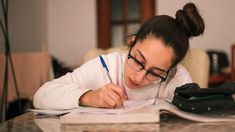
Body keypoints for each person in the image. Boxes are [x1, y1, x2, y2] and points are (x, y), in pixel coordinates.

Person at [33, 2, 205, 110]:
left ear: (170, 70)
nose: (139, 78)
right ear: (131, 42)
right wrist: (87, 96)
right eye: (138, 60)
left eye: (155, 73)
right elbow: (41, 96)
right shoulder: (104, 66)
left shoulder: (177, 77)